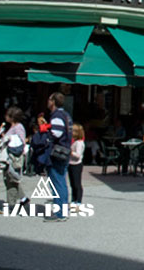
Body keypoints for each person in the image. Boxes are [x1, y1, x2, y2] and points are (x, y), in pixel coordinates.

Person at [45, 92, 73, 221]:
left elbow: (56, 133)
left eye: (50, 99)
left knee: (57, 182)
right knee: (61, 181)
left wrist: (44, 131)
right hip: (65, 151)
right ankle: (63, 210)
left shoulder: (57, 116)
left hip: (57, 153)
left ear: (53, 102)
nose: (48, 101)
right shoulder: (66, 115)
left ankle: (60, 212)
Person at [0, 107, 28, 211]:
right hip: (9, 156)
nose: (5, 116)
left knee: (12, 179)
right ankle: (22, 199)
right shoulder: (12, 127)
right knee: (9, 179)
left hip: (14, 157)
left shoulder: (18, 127)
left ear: (12, 117)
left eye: (7, 115)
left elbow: (20, 142)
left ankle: (11, 204)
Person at [68, 124, 85, 211]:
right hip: (71, 163)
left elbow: (78, 155)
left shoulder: (79, 143)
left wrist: (70, 152)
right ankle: (73, 200)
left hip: (76, 164)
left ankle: (78, 201)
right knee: (72, 183)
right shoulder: (74, 141)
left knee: (76, 183)